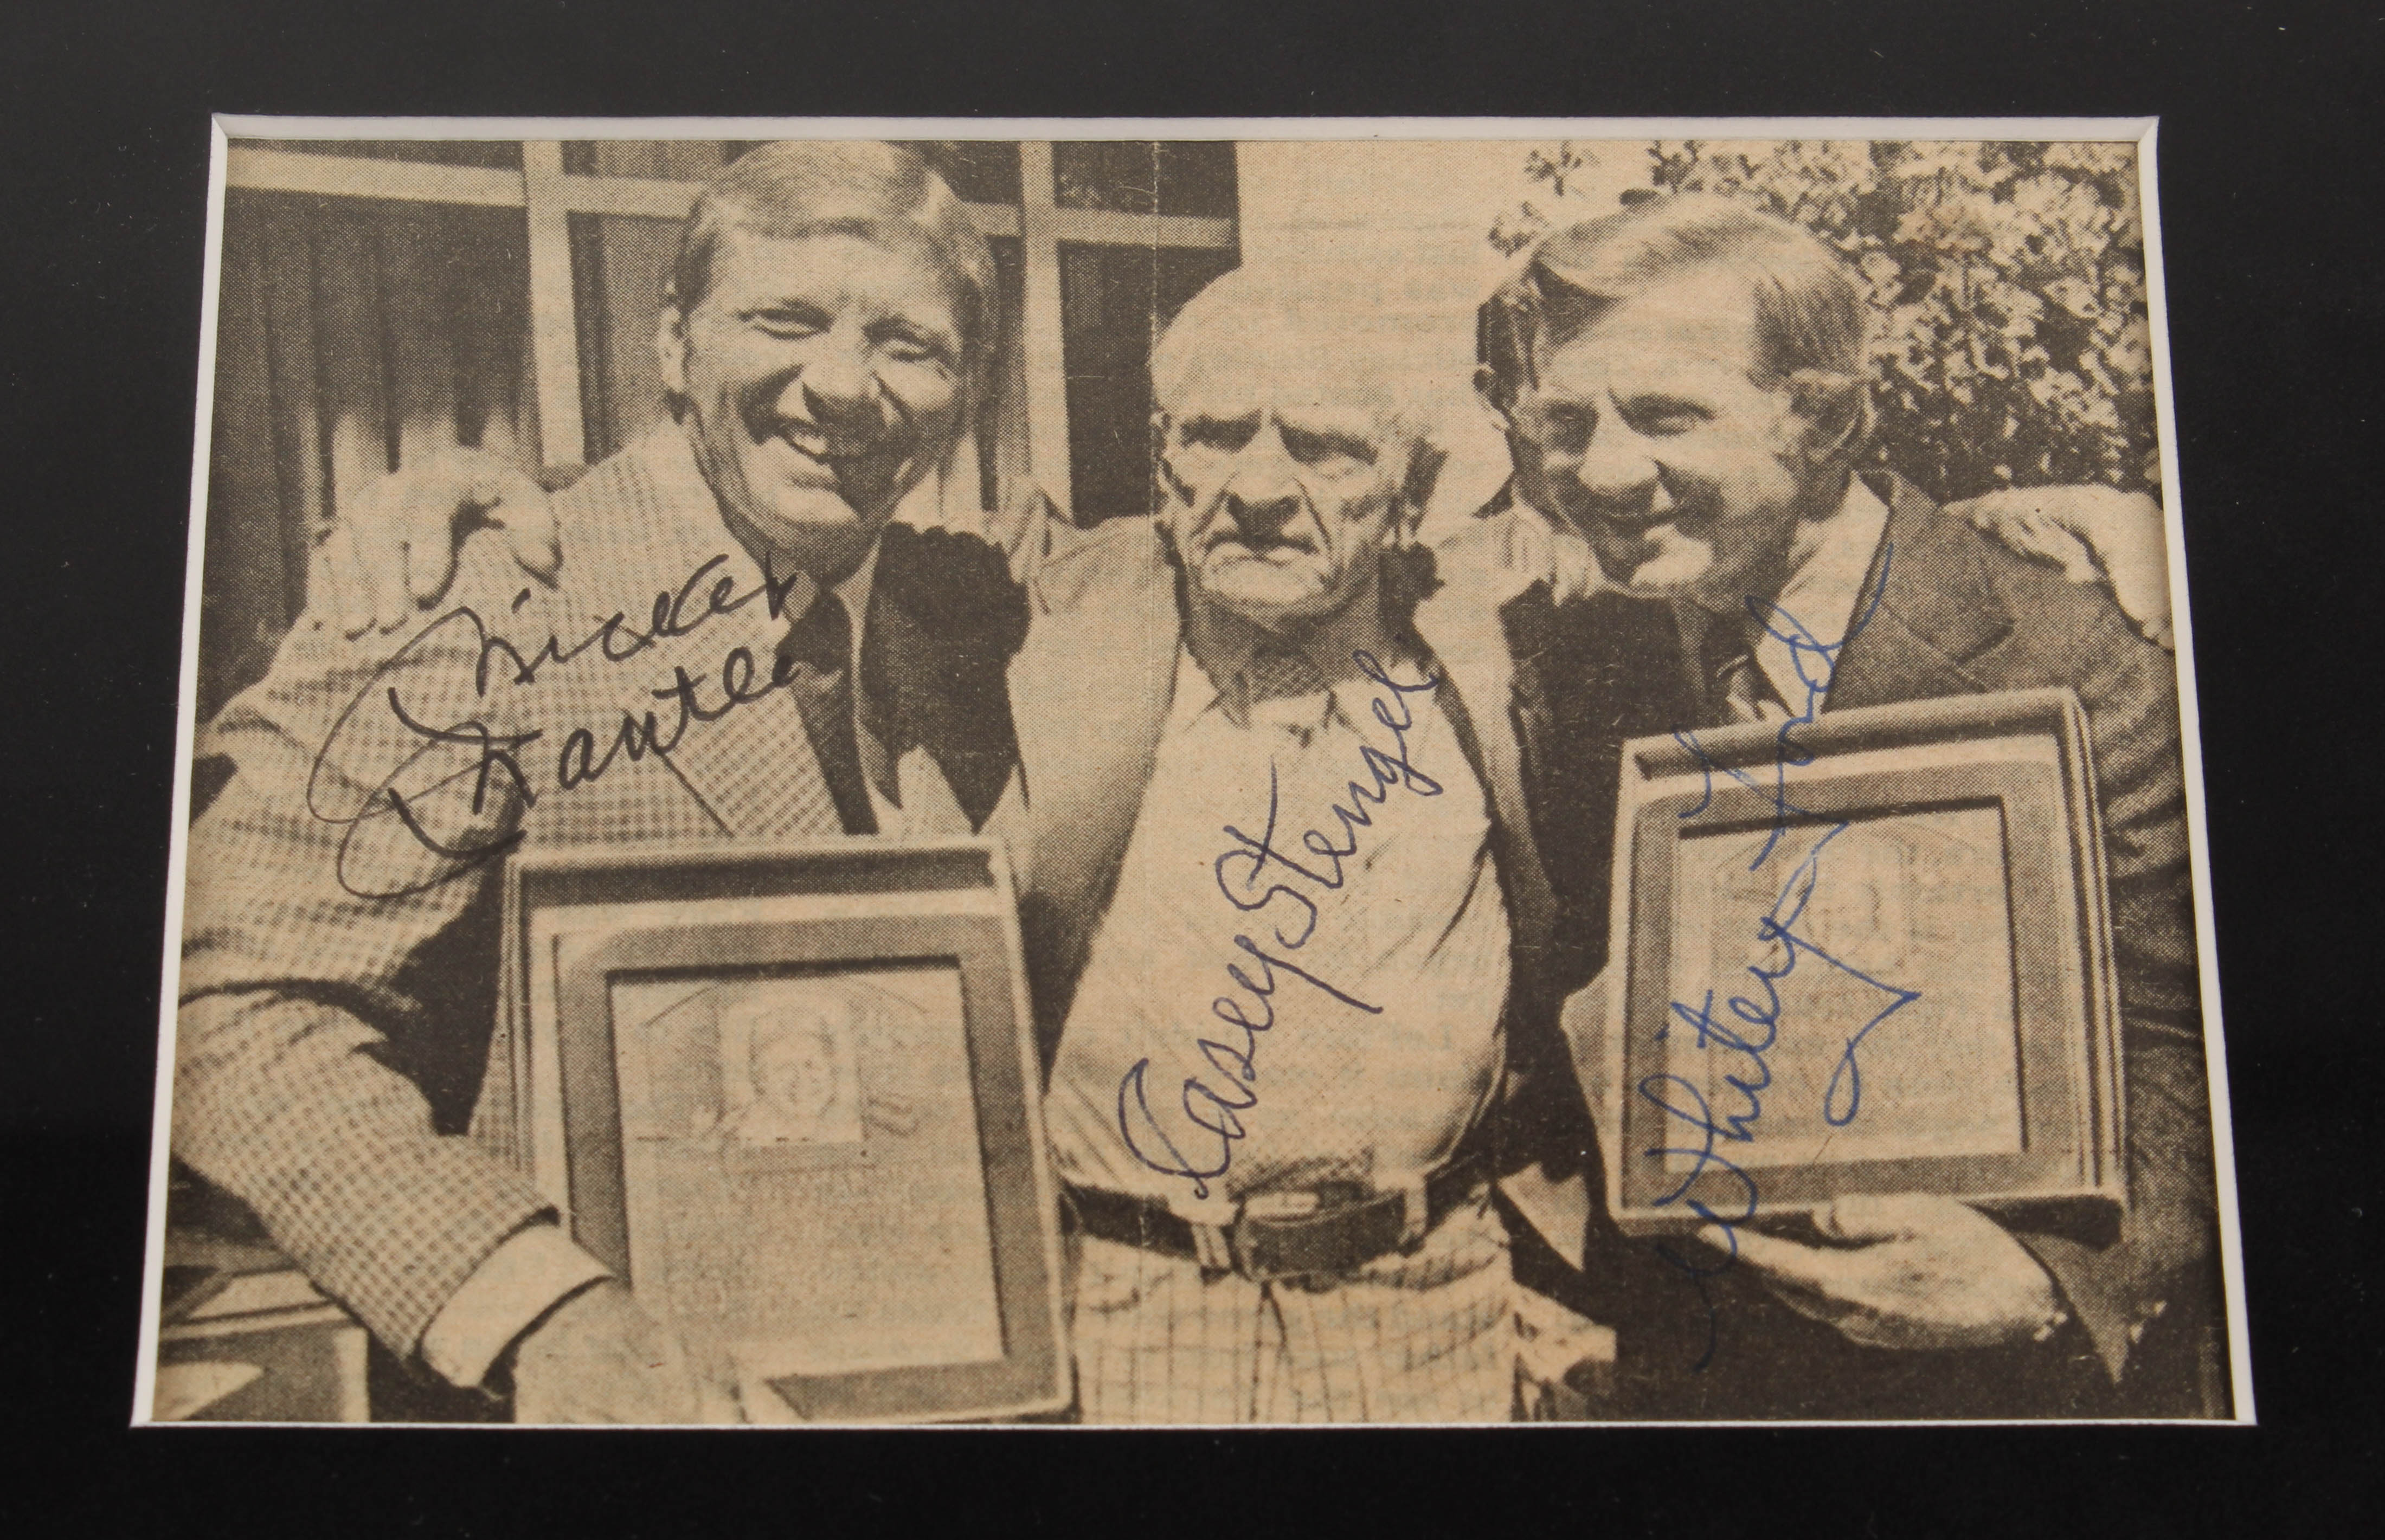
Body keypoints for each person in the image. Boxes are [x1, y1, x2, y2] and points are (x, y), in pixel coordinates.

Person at [173, 141, 1035, 1423]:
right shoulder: (474, 594)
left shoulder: (965, 611)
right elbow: (224, 1000)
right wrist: (535, 1310)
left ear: (968, 391)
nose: (844, 386)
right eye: (785, 320)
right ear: (673, 342)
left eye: (910, 345)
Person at [1469, 196, 2216, 1417]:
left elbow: (2190, 1034)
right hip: (1691, 1386)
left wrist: (2050, 1273)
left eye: (1665, 414)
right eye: (1564, 423)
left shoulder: (2081, 655)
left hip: (2001, 1399)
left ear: (1818, 418)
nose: (1602, 470)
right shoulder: (1582, 664)